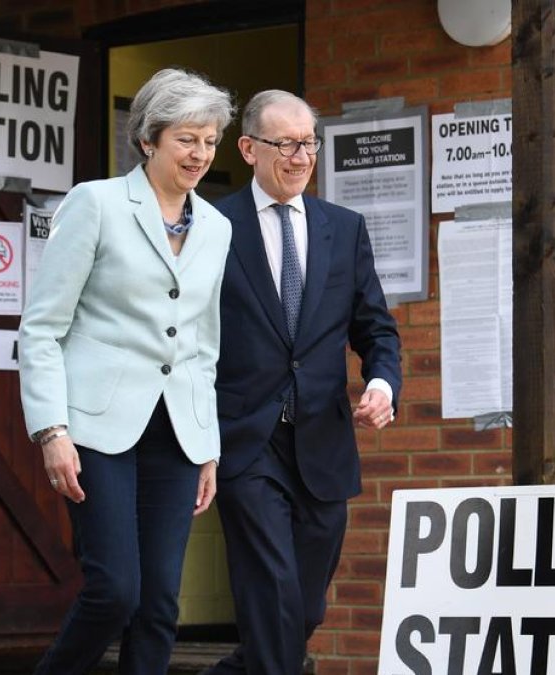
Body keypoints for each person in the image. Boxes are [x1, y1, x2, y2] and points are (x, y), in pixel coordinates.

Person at [18, 68, 235, 675]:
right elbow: (41, 327)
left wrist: (208, 446)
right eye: (186, 139)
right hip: (96, 429)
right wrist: (51, 430)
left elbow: (203, 345)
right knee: (116, 590)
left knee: (161, 603)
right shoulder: (97, 202)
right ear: (148, 139)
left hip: (177, 436)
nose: (200, 154)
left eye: (210, 140)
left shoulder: (217, 229)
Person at [203, 90, 403, 675]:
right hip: (246, 440)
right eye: (285, 143)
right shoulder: (212, 227)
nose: (299, 156)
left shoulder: (344, 228)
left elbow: (376, 328)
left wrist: (383, 385)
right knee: (273, 590)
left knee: (304, 605)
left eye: (309, 143)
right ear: (248, 149)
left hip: (323, 440)